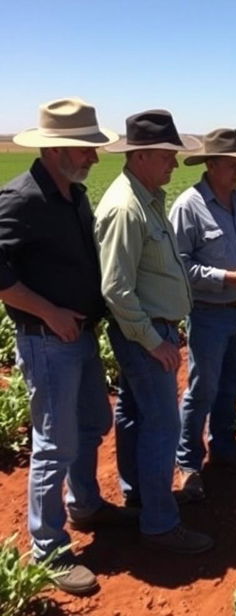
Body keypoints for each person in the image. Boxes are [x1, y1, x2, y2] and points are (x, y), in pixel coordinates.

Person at [0, 98, 136, 595]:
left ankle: (85, 505)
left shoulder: (73, 195)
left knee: (94, 423)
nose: (94, 159)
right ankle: (49, 550)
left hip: (79, 338)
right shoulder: (20, 198)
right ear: (57, 148)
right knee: (54, 443)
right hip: (46, 341)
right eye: (87, 150)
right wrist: (48, 310)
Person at [94, 109, 213, 553]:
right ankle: (161, 524)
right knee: (162, 425)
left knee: (134, 416)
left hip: (148, 332)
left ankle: (139, 497)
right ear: (142, 155)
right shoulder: (127, 207)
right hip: (146, 336)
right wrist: (154, 341)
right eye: (167, 156)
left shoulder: (144, 197)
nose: (174, 164)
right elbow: (117, 288)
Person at [168, 128, 236, 499]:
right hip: (210, 314)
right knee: (202, 389)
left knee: (235, 382)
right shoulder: (189, 206)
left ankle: (224, 446)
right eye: (231, 165)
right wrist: (226, 277)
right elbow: (178, 266)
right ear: (211, 164)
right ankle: (188, 464)